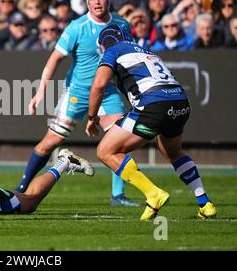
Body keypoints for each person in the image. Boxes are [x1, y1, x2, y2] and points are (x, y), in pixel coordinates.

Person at [15, 0, 139, 207]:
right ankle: (21, 188)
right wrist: (40, 91)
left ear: (108, 0)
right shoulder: (77, 27)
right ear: (87, 2)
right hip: (78, 92)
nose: (97, 2)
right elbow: (55, 59)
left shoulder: (122, 25)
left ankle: (118, 195)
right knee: (51, 141)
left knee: (119, 141)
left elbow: (128, 58)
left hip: (107, 91)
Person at [86, 24, 217, 220]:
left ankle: (153, 194)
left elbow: (99, 85)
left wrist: (91, 117)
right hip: (180, 102)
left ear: (104, 44)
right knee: (172, 151)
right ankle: (205, 203)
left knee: (106, 151)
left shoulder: (113, 50)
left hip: (153, 105)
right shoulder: (146, 51)